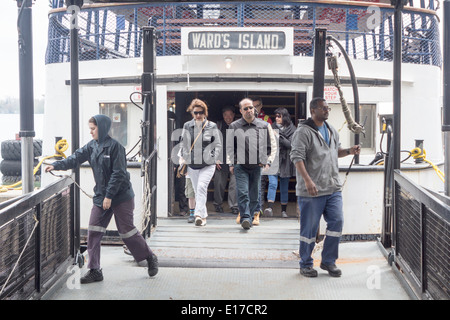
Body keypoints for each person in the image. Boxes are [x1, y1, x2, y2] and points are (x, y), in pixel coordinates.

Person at [45, 115, 158, 283]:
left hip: (120, 196)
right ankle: (95, 270)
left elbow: (118, 173)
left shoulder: (116, 148)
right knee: (93, 232)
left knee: (126, 232)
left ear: (102, 128)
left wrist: (109, 196)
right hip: (101, 196)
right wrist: (56, 165)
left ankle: (149, 257)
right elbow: (75, 158)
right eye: (90, 128)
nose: (90, 132)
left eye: (93, 129)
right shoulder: (92, 147)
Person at [290, 97, 360, 278]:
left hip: (332, 188)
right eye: (323, 108)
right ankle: (305, 264)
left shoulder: (331, 130)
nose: (327, 110)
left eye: (328, 108)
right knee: (309, 230)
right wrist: (307, 181)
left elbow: (335, 152)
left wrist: (349, 151)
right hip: (312, 190)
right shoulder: (303, 132)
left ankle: (328, 261)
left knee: (336, 222)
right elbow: (297, 158)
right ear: (313, 110)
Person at [227, 98, 277, 230]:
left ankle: (250, 216)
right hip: (240, 165)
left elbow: (271, 145)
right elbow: (230, 147)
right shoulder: (234, 126)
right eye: (245, 108)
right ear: (241, 111)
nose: (249, 110)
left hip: (257, 166)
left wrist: (268, 161)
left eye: (251, 108)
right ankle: (245, 218)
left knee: (255, 195)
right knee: (243, 192)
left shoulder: (264, 125)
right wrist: (232, 163)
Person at [179, 99, 221, 227]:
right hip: (192, 164)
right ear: (192, 113)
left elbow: (217, 144)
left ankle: (198, 215)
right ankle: (203, 216)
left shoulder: (212, 126)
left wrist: (212, 157)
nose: (198, 115)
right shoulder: (187, 125)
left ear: (205, 113)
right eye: (195, 112)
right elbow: (183, 144)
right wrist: (186, 158)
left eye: (201, 112)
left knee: (202, 187)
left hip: (208, 164)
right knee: (198, 191)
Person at [265, 107, 296, 218]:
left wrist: (278, 136)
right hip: (273, 159)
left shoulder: (293, 129)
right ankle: (269, 208)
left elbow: (291, 144)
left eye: (279, 116)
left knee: (284, 186)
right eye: (276, 116)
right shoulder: (271, 127)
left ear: (285, 117)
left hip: (286, 160)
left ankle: (284, 211)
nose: (277, 118)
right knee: (272, 183)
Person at [213, 106, 238, 215]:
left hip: (235, 160)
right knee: (219, 184)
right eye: (225, 115)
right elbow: (211, 143)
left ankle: (234, 206)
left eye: (230, 115)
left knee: (234, 184)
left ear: (233, 115)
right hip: (220, 160)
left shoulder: (238, 126)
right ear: (223, 116)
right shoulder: (218, 126)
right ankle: (217, 204)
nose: (228, 117)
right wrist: (215, 159)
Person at [252, 97, 272, 220]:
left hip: (261, 156)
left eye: (257, 105)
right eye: (253, 106)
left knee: (260, 184)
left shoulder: (266, 119)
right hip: (248, 156)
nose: (255, 108)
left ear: (261, 106)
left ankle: (258, 209)